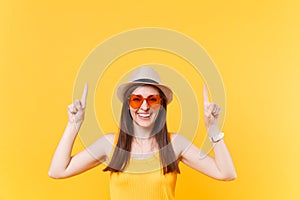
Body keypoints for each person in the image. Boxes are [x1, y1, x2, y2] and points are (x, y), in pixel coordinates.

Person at [48, 66, 236, 200]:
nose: (144, 106)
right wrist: (74, 125)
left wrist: (213, 129)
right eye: (137, 100)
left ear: (161, 105)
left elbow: (226, 173)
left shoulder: (174, 144)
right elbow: (57, 171)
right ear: (128, 105)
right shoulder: (110, 145)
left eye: (152, 99)